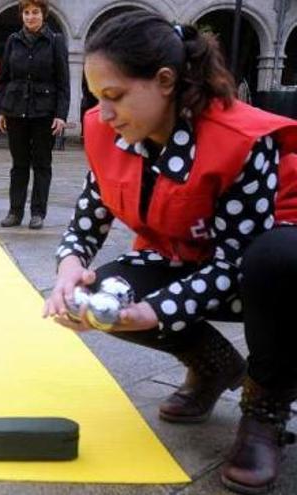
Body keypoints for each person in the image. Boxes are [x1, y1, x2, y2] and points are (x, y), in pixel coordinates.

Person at [43, 12, 297, 495]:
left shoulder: (240, 140)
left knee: (275, 262)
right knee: (112, 291)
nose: (104, 113)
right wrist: (69, 268)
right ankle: (214, 366)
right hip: (190, 261)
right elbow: (89, 217)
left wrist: (154, 312)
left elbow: (235, 262)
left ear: (164, 82)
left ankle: (266, 406)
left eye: (115, 97)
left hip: (267, 270)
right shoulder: (107, 130)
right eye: (96, 98)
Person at [0, 0, 69, 230]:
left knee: (42, 164)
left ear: (43, 14)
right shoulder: (13, 40)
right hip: (15, 108)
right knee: (19, 164)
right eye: (26, 13)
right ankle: (15, 212)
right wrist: (1, 110)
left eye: (35, 12)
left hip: (44, 111)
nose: (30, 17)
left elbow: (63, 82)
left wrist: (61, 115)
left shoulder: (55, 41)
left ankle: (38, 212)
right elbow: (4, 78)